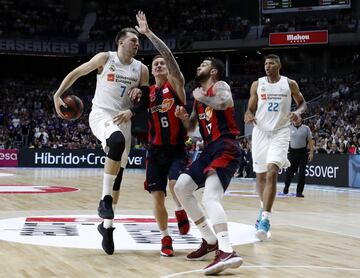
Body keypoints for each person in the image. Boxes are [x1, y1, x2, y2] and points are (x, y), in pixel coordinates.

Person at [53, 27, 149, 255]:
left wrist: (133, 109)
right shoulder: (106, 58)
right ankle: (104, 200)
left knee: (118, 178)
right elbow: (77, 72)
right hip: (102, 114)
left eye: (138, 41)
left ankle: (106, 227)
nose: (137, 44)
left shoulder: (142, 69)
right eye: (133, 40)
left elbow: (144, 100)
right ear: (121, 42)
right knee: (115, 142)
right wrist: (58, 94)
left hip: (124, 119)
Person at [174, 57, 243, 275]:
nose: (198, 67)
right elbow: (193, 128)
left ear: (213, 71)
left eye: (203, 64)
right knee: (181, 188)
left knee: (210, 198)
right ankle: (210, 240)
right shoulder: (197, 98)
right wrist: (184, 118)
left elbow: (224, 103)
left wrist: (203, 96)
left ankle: (227, 250)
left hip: (225, 145)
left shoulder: (220, 86)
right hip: (208, 149)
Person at [134, 11, 190, 257]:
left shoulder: (175, 84)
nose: (159, 64)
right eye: (155, 64)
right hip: (154, 151)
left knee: (176, 185)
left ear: (168, 70)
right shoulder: (147, 93)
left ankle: (180, 208)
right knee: (157, 197)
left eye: (162, 64)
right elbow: (132, 103)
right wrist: (131, 99)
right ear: (152, 70)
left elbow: (167, 55)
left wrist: (147, 34)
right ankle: (166, 238)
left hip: (176, 148)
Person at [245, 54, 306, 241]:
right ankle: (264, 208)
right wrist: (248, 114)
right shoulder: (257, 84)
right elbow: (250, 108)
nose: (267, 66)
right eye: (265, 64)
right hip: (260, 133)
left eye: (271, 63)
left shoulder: (290, 84)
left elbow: (303, 103)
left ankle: (265, 218)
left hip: (280, 132)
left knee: (272, 171)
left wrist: (297, 112)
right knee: (261, 175)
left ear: (279, 65)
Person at [283, 119, 314, 197]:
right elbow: (284, 141)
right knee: (289, 172)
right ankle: (286, 186)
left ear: (301, 119)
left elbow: (310, 141)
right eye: (294, 118)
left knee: (302, 173)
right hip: (292, 152)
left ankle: (299, 192)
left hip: (303, 152)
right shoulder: (288, 128)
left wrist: (311, 153)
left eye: (298, 118)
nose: (296, 120)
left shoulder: (306, 128)